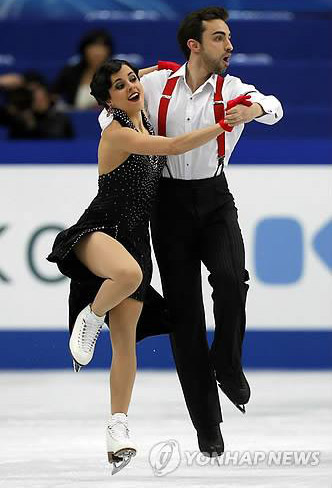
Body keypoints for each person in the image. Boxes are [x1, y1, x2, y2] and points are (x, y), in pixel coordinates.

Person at [46, 58, 251, 473]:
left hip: (138, 240)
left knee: (125, 346)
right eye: (120, 86)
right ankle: (91, 315)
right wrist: (224, 124)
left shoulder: (148, 126)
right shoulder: (117, 134)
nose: (131, 86)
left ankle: (117, 429)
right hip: (101, 229)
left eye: (133, 79)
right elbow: (174, 148)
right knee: (129, 275)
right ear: (109, 99)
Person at [99, 6, 283, 458]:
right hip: (168, 206)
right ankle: (207, 426)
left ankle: (228, 362)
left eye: (229, 37)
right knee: (185, 317)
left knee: (230, 277)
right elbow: (108, 116)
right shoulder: (157, 84)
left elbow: (275, 108)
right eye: (220, 38)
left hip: (215, 198)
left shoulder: (232, 87)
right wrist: (132, 89)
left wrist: (253, 109)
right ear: (194, 45)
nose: (230, 46)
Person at [0, 71, 74, 139]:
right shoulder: (17, 117)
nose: (32, 96)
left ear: (46, 93)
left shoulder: (59, 119)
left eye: (35, 91)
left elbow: (53, 144)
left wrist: (32, 125)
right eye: (28, 93)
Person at [52, 29, 113, 109]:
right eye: (92, 46)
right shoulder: (70, 72)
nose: (97, 52)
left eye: (101, 47)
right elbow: (53, 96)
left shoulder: (118, 72)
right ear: (84, 49)